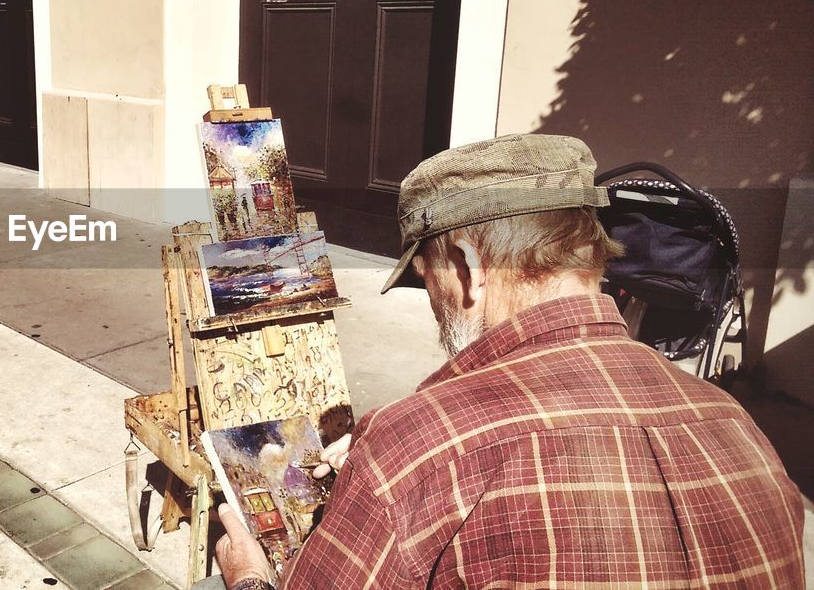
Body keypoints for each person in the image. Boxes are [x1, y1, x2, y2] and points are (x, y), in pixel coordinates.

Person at [213, 134, 805, 589]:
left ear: (469, 267)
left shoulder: (413, 451)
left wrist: (248, 575)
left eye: (428, 280)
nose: (437, 307)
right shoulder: (736, 425)